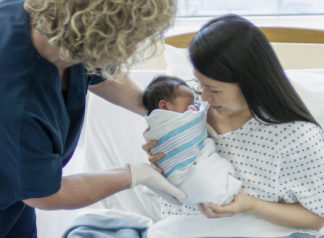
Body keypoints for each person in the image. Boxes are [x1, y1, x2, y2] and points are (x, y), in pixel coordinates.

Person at [0, 0, 186, 237]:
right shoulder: (18, 101)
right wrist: (136, 175)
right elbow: (44, 195)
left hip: (16, 197)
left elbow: (97, 68)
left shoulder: (47, 24)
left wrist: (157, 112)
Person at [142, 14, 324, 234]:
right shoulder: (186, 114)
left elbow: (317, 217)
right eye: (200, 84)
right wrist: (165, 162)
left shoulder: (295, 137)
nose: (204, 96)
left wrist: (249, 205)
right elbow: (174, 194)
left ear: (250, 82)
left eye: (214, 89)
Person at [142, 75, 242, 208]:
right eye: (189, 104)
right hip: (179, 182)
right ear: (164, 106)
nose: (198, 103)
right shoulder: (165, 122)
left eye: (214, 89)